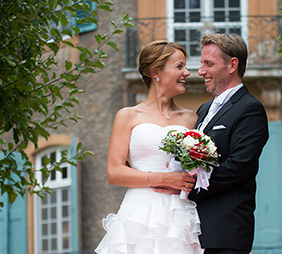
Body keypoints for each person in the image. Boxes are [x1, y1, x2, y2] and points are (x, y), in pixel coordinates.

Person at [95, 41, 204, 254]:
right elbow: (114, 172)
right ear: (157, 72)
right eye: (180, 66)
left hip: (181, 215)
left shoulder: (193, 118)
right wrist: (163, 179)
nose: (187, 73)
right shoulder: (127, 116)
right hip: (138, 215)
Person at [190, 33, 269, 253]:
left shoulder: (250, 109)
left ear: (232, 65)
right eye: (201, 63)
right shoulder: (204, 109)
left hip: (225, 233)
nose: (201, 71)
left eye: (209, 64)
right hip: (192, 229)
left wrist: (188, 187)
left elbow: (238, 166)